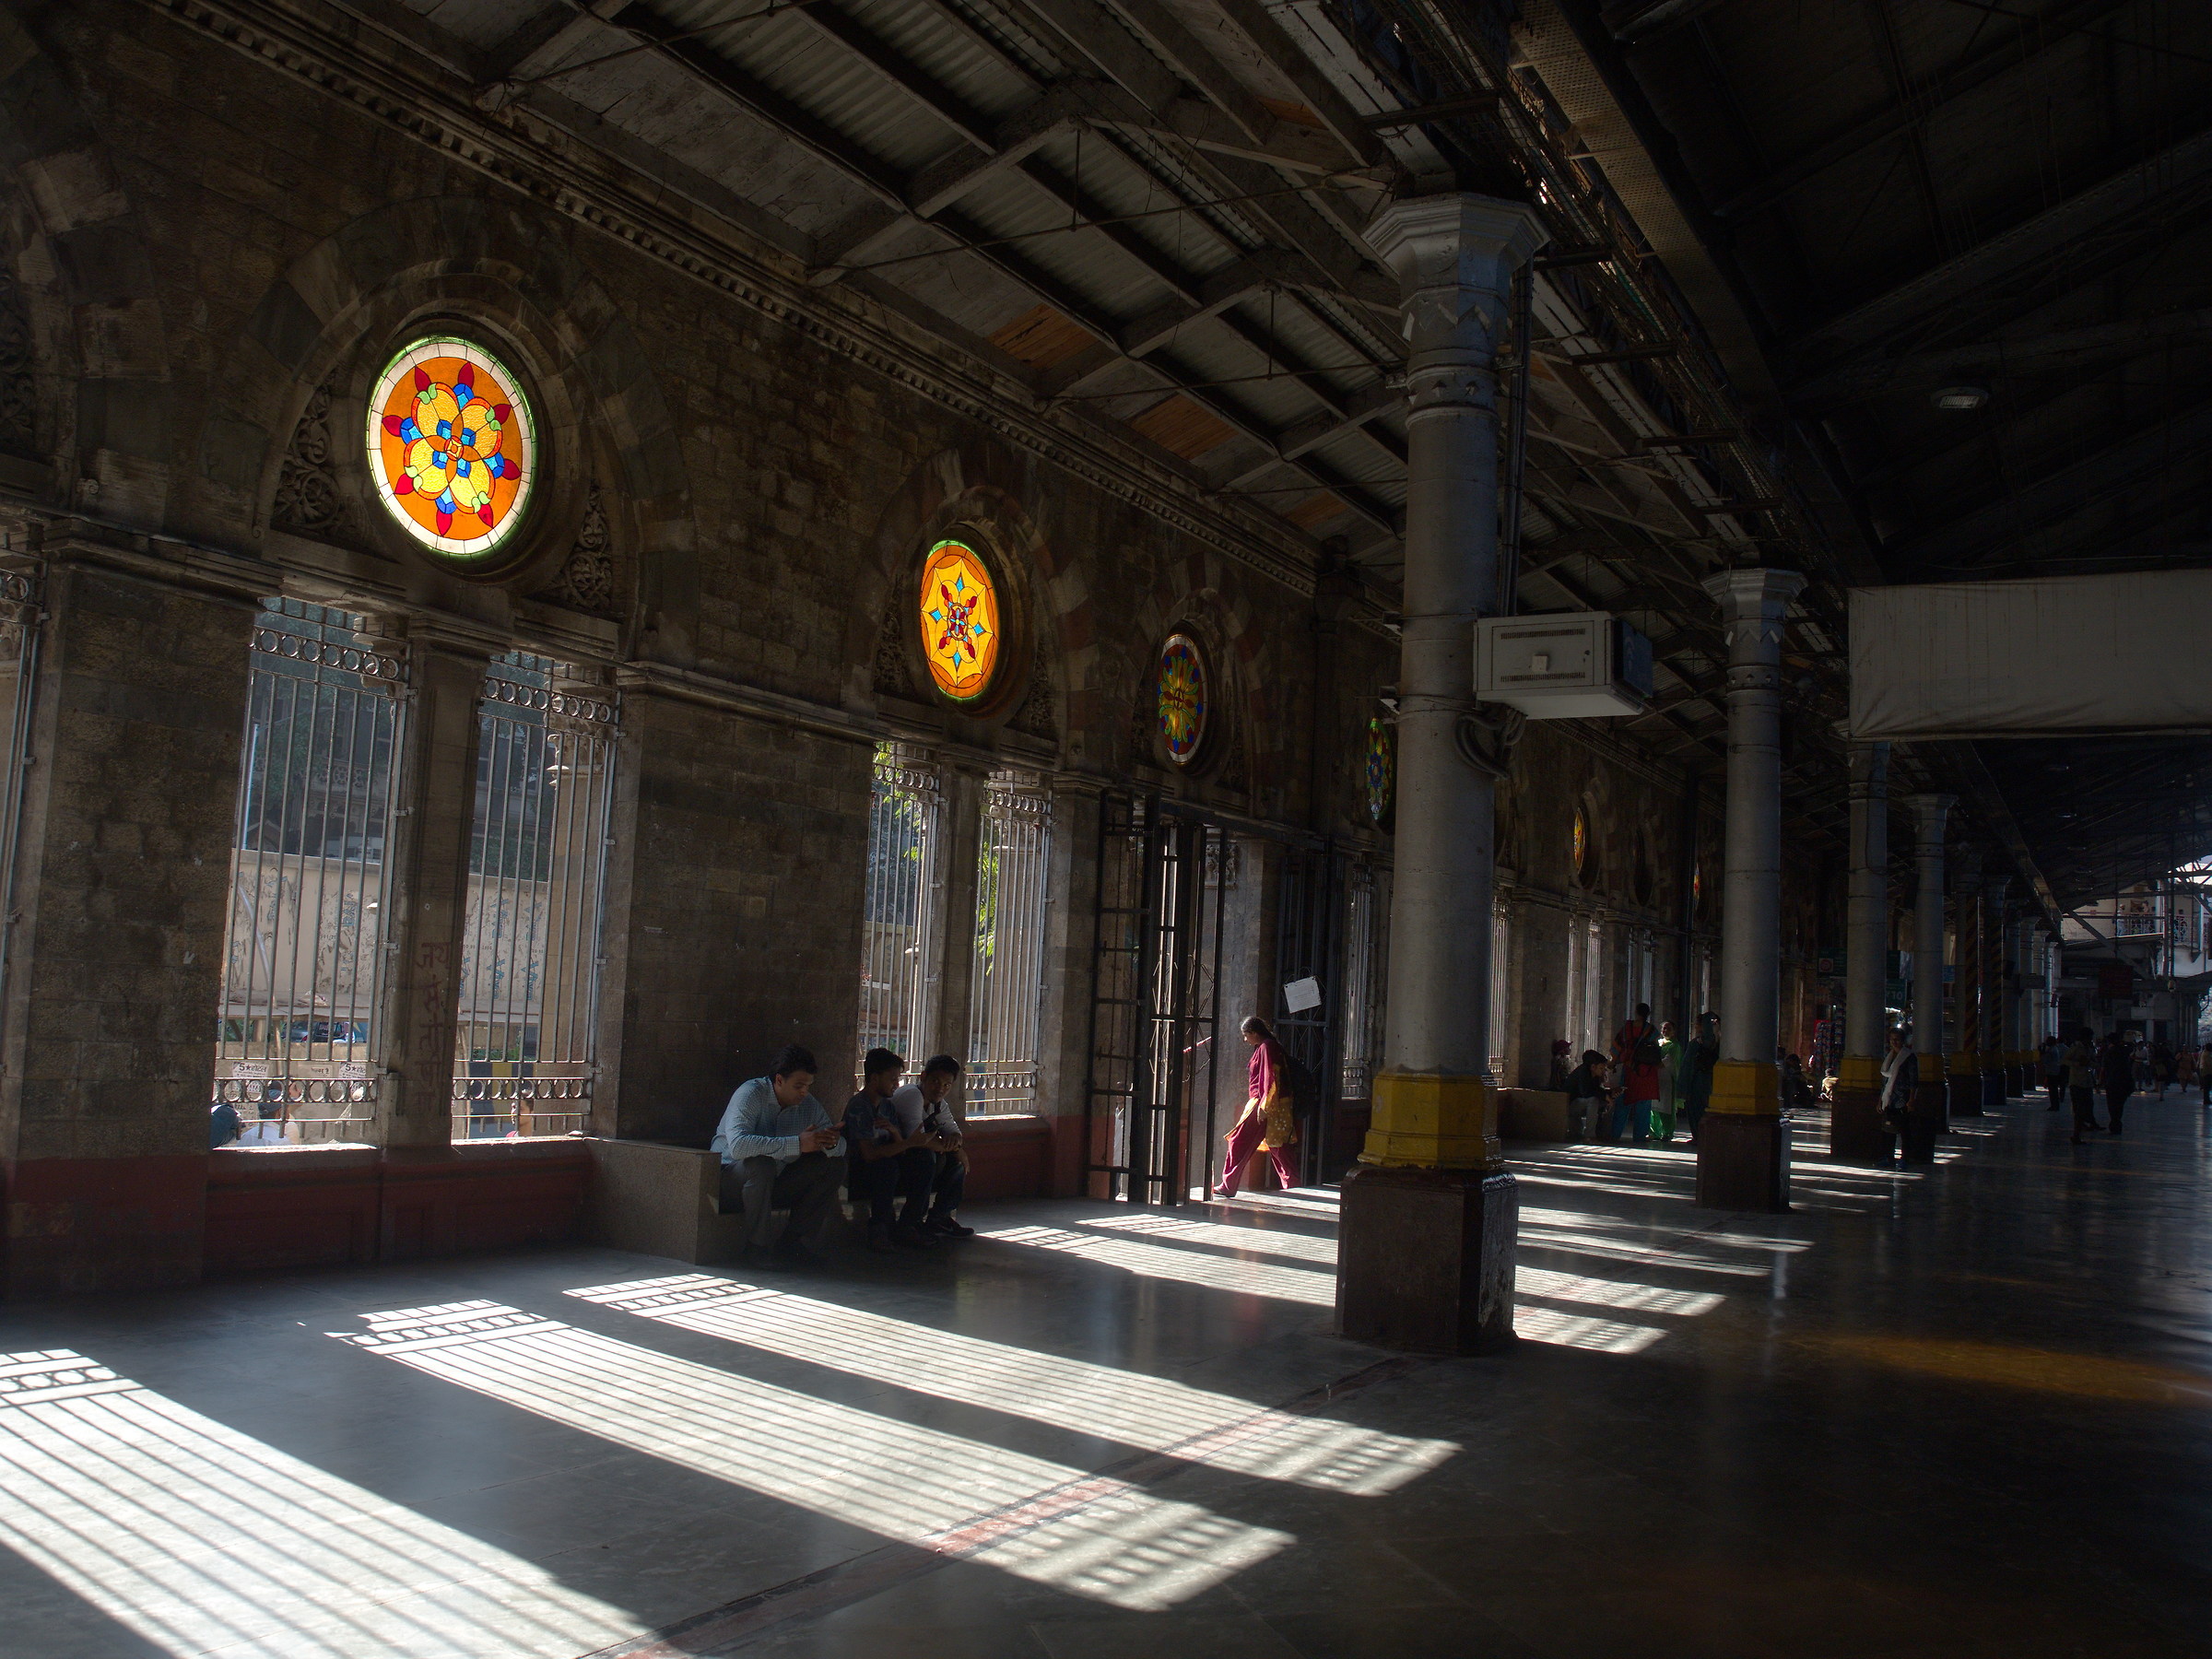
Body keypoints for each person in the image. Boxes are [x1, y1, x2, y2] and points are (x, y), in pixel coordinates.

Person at [711, 1042, 842, 1267]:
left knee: (832, 1165)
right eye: (799, 1085)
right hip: (731, 1180)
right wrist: (796, 1144)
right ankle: (757, 1248)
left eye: (808, 1086)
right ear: (779, 1080)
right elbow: (739, 1146)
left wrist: (829, 1143)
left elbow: (839, 1144)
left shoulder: (807, 1103)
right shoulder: (751, 1094)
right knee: (761, 1165)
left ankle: (794, 1243)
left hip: (775, 1183)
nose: (804, 1092)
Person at [845, 1048, 938, 1253]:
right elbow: (868, 1155)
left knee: (924, 1159)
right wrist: (906, 1143)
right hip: (862, 1171)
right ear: (874, 1078)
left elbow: (901, 1149)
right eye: (892, 1079)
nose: (897, 1084)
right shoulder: (859, 1106)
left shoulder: (887, 1106)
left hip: (889, 1163)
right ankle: (878, 1228)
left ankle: (909, 1224)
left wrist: (898, 1134)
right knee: (886, 1167)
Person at [890, 1054, 974, 1237]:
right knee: (926, 1158)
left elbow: (954, 1131)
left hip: (916, 1151)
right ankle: (910, 1222)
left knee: (956, 1163)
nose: (940, 1089)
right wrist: (957, 1150)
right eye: (935, 1081)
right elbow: (918, 1139)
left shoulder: (939, 1104)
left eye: (947, 1085)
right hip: (893, 1152)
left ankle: (940, 1218)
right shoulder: (912, 1095)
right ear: (923, 1077)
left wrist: (956, 1143)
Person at [1215, 1017, 1298, 1196]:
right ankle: (1293, 1184)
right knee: (1279, 1146)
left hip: (1261, 1102)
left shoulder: (1267, 1047)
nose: (1245, 1040)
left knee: (1239, 1141)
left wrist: (1264, 1105)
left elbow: (1271, 1075)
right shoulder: (1268, 1046)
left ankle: (1228, 1185)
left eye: (1246, 1035)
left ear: (1254, 1033)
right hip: (1272, 1103)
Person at [1610, 1003, 1663, 1144]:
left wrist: (1613, 1062)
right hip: (1646, 1072)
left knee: (1623, 1101)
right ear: (1648, 1014)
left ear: (1636, 1012)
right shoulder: (1652, 1030)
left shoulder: (1627, 1029)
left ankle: (1615, 1134)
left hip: (1629, 1070)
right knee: (1643, 1104)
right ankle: (1639, 1136)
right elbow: (1657, 1052)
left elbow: (1617, 1047)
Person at [1679, 1013, 1719, 1142]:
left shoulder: (1696, 1043)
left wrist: (1684, 1086)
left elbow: (1688, 1066)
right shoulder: (1718, 1043)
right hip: (1711, 1080)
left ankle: (1698, 1135)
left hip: (1697, 1081)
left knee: (1696, 1109)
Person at [1879, 1027, 1917, 1159]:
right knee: (1888, 1129)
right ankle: (1888, 1157)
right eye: (1891, 1040)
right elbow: (1884, 1081)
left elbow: (1913, 1080)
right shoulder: (1888, 1057)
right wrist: (1880, 1100)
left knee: (1904, 1131)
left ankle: (1905, 1159)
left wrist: (1911, 1099)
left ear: (1903, 1041)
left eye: (1897, 1040)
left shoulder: (1909, 1057)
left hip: (1903, 1099)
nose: (1894, 1042)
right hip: (1889, 1099)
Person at [1564, 1050, 1612, 1143]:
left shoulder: (1595, 1075)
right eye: (1601, 1068)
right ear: (1593, 1067)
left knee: (1604, 1102)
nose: (1603, 1071)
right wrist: (1604, 1096)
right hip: (1570, 1105)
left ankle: (1602, 1133)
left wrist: (1608, 1095)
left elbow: (1596, 1089)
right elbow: (1586, 1093)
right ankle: (1589, 1136)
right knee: (1593, 1101)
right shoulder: (1583, 1073)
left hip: (1579, 1105)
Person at [2064, 1029, 2100, 1144]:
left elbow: (2096, 1064)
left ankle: (2083, 1127)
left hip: (2087, 1082)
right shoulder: (2075, 1048)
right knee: (2078, 1109)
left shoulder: (2091, 1048)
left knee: (2087, 1107)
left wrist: (2089, 1062)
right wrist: (2078, 1063)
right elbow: (2064, 1060)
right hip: (2076, 1082)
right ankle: (2076, 1134)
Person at [1651, 1019, 1682, 1146]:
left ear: (1673, 1032)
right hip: (1656, 1079)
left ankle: (1667, 1132)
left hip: (1668, 1079)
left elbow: (1666, 1062)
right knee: (1654, 1107)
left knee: (1666, 1108)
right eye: (1664, 1028)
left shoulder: (1674, 1046)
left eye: (1668, 1029)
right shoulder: (1658, 1043)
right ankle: (1654, 1131)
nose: (1665, 1031)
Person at [2100, 1030, 2135, 1138]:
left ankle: (2115, 1123)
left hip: (2112, 1082)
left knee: (2112, 1105)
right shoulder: (2124, 1051)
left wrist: (2100, 1082)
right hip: (2124, 1082)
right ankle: (2116, 1123)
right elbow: (2131, 1046)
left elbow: (2103, 1069)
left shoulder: (2109, 1052)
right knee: (2119, 1105)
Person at [2040, 1034, 2065, 1112]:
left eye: (2048, 1040)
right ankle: (2055, 1105)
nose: (2046, 1042)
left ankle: (2054, 1106)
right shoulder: (2054, 1049)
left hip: (2052, 1072)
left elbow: (2044, 1060)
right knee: (2053, 1089)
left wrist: (2042, 1051)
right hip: (2054, 1071)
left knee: (2053, 1090)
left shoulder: (2051, 1050)